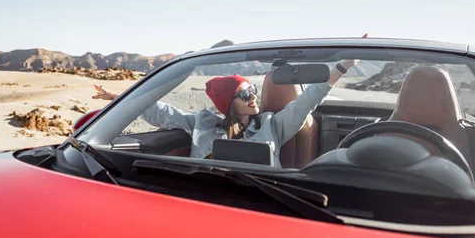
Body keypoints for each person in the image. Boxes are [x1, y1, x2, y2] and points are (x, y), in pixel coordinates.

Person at [92, 57, 361, 167]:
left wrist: (341, 68)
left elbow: (305, 103)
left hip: (261, 206)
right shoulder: (202, 123)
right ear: (228, 103)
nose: (253, 96)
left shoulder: (272, 125)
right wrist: (119, 98)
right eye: (244, 94)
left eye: (253, 90)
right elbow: (162, 113)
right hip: (203, 199)